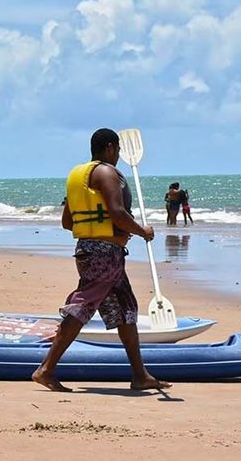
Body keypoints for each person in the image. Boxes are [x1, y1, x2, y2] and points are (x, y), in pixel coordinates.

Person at [31, 128, 169, 393]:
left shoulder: (77, 176)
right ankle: (46, 369)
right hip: (103, 255)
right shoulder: (106, 173)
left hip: (92, 250)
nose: (117, 156)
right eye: (116, 150)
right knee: (82, 306)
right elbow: (117, 212)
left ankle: (140, 375)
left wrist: (100, 234)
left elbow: (67, 222)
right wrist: (142, 232)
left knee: (126, 310)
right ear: (109, 148)